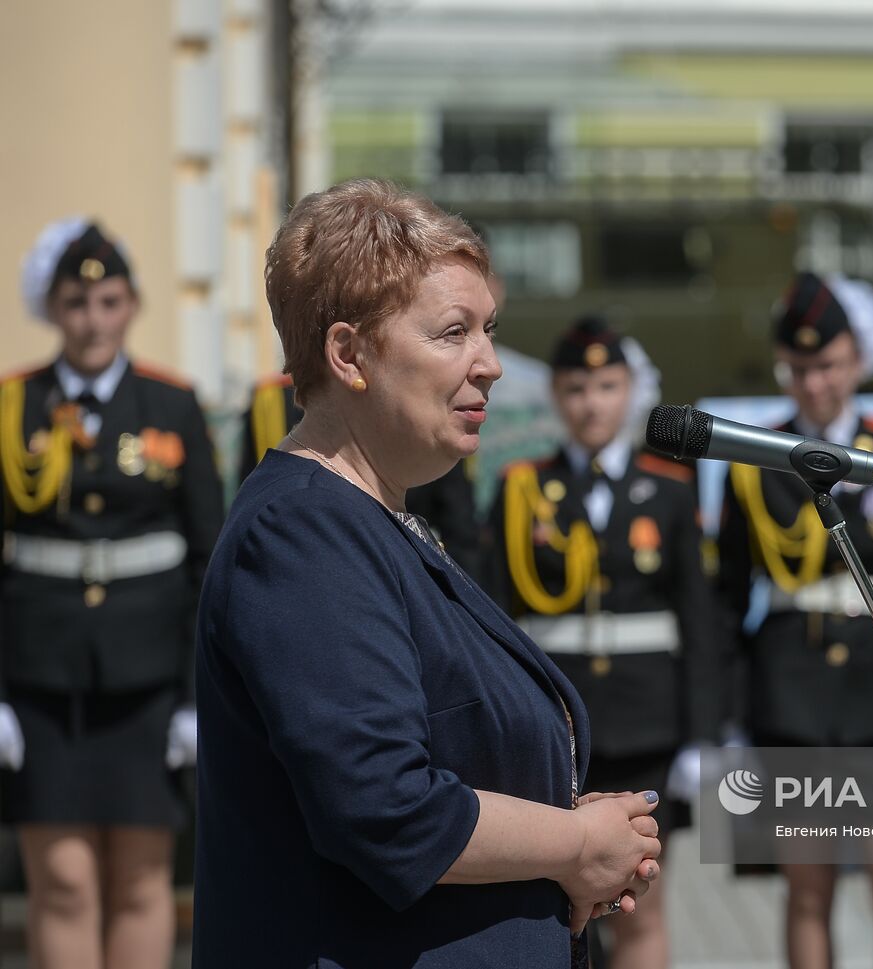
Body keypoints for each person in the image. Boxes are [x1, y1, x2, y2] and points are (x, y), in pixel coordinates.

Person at [194, 178, 661, 968]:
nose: (489, 364)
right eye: (452, 332)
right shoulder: (301, 530)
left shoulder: (375, 520)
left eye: (489, 329)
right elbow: (386, 807)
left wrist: (578, 835)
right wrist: (575, 841)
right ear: (349, 354)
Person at [1, 218, 224, 968]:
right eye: (75, 303)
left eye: (109, 302)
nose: (92, 321)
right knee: (60, 878)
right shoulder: (10, 407)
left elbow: (207, 557)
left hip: (148, 679)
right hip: (39, 677)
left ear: (131, 306)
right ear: (52, 310)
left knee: (140, 875)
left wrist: (197, 694)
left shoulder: (172, 404)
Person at [716, 271, 873, 969]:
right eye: (799, 368)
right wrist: (729, 715)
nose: (814, 383)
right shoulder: (756, 456)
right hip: (794, 690)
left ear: (856, 361)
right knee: (808, 887)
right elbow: (728, 595)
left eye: (828, 365)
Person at [488, 315, 725, 969]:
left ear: (631, 391)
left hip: (649, 728)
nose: (592, 402)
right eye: (576, 387)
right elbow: (496, 617)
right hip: (556, 730)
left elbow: (700, 619)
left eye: (606, 385)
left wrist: (702, 733)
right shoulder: (519, 490)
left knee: (639, 911)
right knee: (554, 912)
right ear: (556, 398)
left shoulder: (672, 490)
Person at [240, 372, 482, 575]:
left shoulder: (437, 411)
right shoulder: (272, 401)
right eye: (453, 333)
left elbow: (460, 529)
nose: (492, 367)